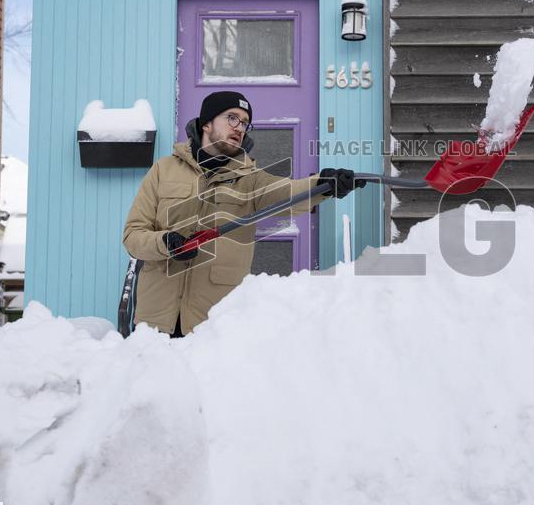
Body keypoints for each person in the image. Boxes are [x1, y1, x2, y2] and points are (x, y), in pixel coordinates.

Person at [122, 91, 365, 337]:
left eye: (245, 123)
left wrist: (323, 184)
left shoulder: (250, 180)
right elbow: (133, 236)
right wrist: (165, 243)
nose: (240, 127)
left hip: (211, 323)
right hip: (154, 322)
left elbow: (288, 193)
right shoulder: (164, 170)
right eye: (232, 118)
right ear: (206, 123)